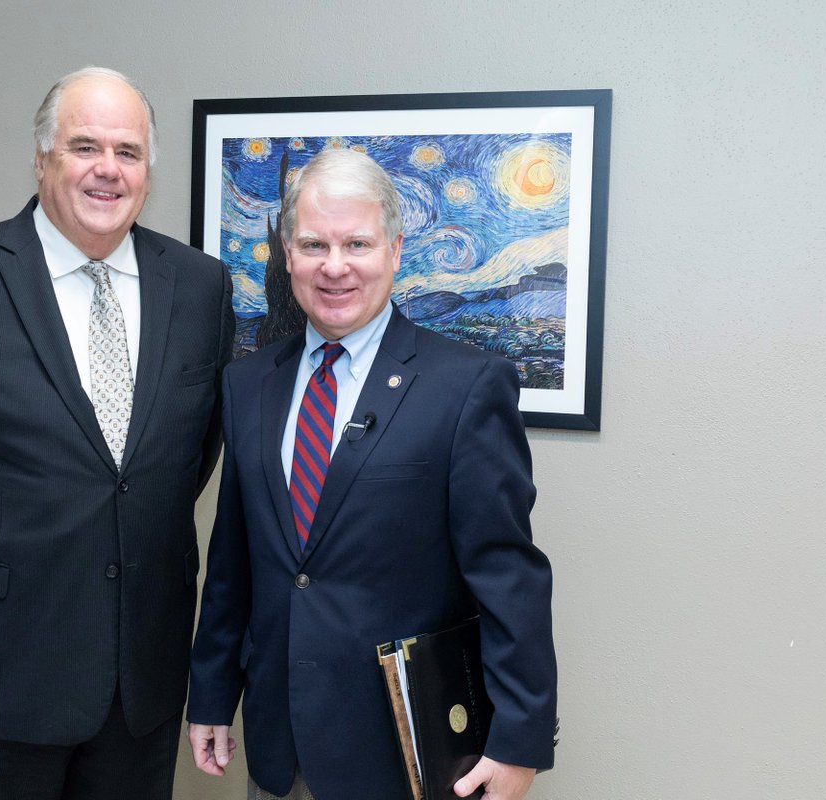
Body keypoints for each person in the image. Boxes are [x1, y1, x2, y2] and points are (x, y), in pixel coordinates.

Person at [0, 66, 234, 800]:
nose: (107, 169)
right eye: (83, 146)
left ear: (148, 172)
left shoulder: (201, 287)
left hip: (139, 681)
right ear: (41, 160)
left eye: (127, 151)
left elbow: (183, 461)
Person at [186, 148, 556, 800]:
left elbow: (509, 580)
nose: (335, 266)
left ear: (394, 249)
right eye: (313, 244)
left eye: (357, 243)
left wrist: (518, 741)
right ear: (288, 255)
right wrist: (212, 693)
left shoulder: (465, 387)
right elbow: (234, 566)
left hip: (408, 754)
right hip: (279, 752)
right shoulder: (247, 386)